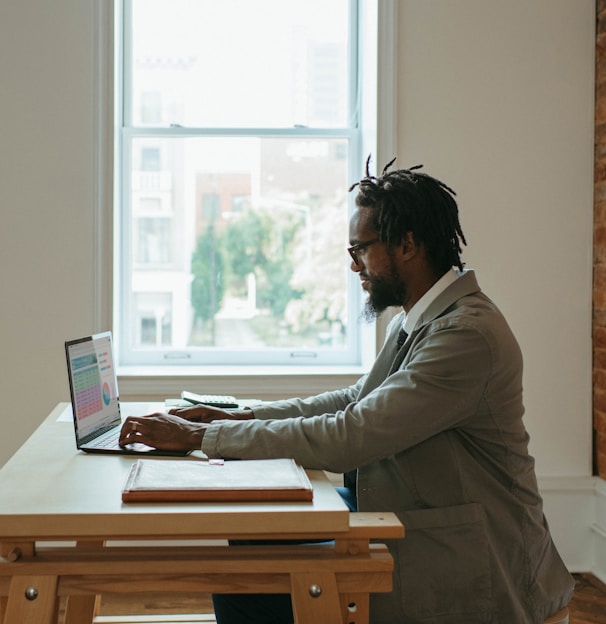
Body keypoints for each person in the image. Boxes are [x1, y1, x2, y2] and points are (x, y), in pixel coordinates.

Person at [119, 158, 574, 623]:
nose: (354, 265)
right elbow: (353, 401)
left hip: (477, 562)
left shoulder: (465, 336)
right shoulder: (417, 320)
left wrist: (199, 439)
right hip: (411, 517)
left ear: (408, 244)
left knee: (246, 580)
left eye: (360, 249)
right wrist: (237, 419)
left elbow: (351, 434)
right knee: (248, 551)